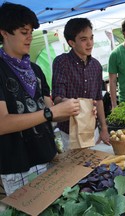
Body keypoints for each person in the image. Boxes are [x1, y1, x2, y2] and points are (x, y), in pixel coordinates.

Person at [0, 2, 82, 196]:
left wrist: (69, 110)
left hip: (48, 156)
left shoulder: (35, 70)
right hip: (17, 166)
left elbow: (49, 113)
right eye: (23, 32)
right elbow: (2, 123)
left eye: (31, 31)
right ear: (4, 32)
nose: (30, 37)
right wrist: (51, 112)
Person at [52, 18, 110, 148]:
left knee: (95, 166)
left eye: (91, 38)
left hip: (91, 128)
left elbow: (98, 99)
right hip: (69, 131)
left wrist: (104, 128)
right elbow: (57, 99)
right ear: (71, 42)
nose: (90, 43)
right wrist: (78, 105)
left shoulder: (96, 66)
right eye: (84, 39)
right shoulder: (61, 62)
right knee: (74, 167)